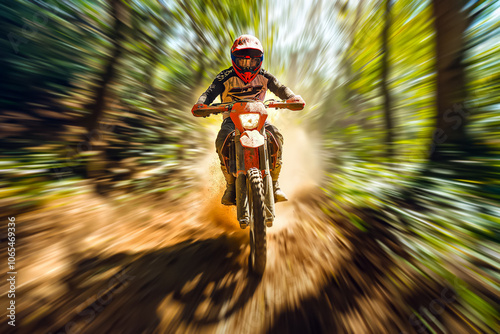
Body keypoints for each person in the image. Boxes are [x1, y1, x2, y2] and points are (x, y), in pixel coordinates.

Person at [191, 34, 305, 206]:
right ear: (234, 59)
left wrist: (292, 97)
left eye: (252, 61)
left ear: (259, 60)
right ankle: (230, 185)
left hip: (259, 118)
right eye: (242, 61)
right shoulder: (224, 77)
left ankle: (274, 183)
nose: (247, 65)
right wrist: (201, 104)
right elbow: (209, 93)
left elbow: (280, 88)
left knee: (276, 135)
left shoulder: (265, 75)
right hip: (232, 119)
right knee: (222, 138)